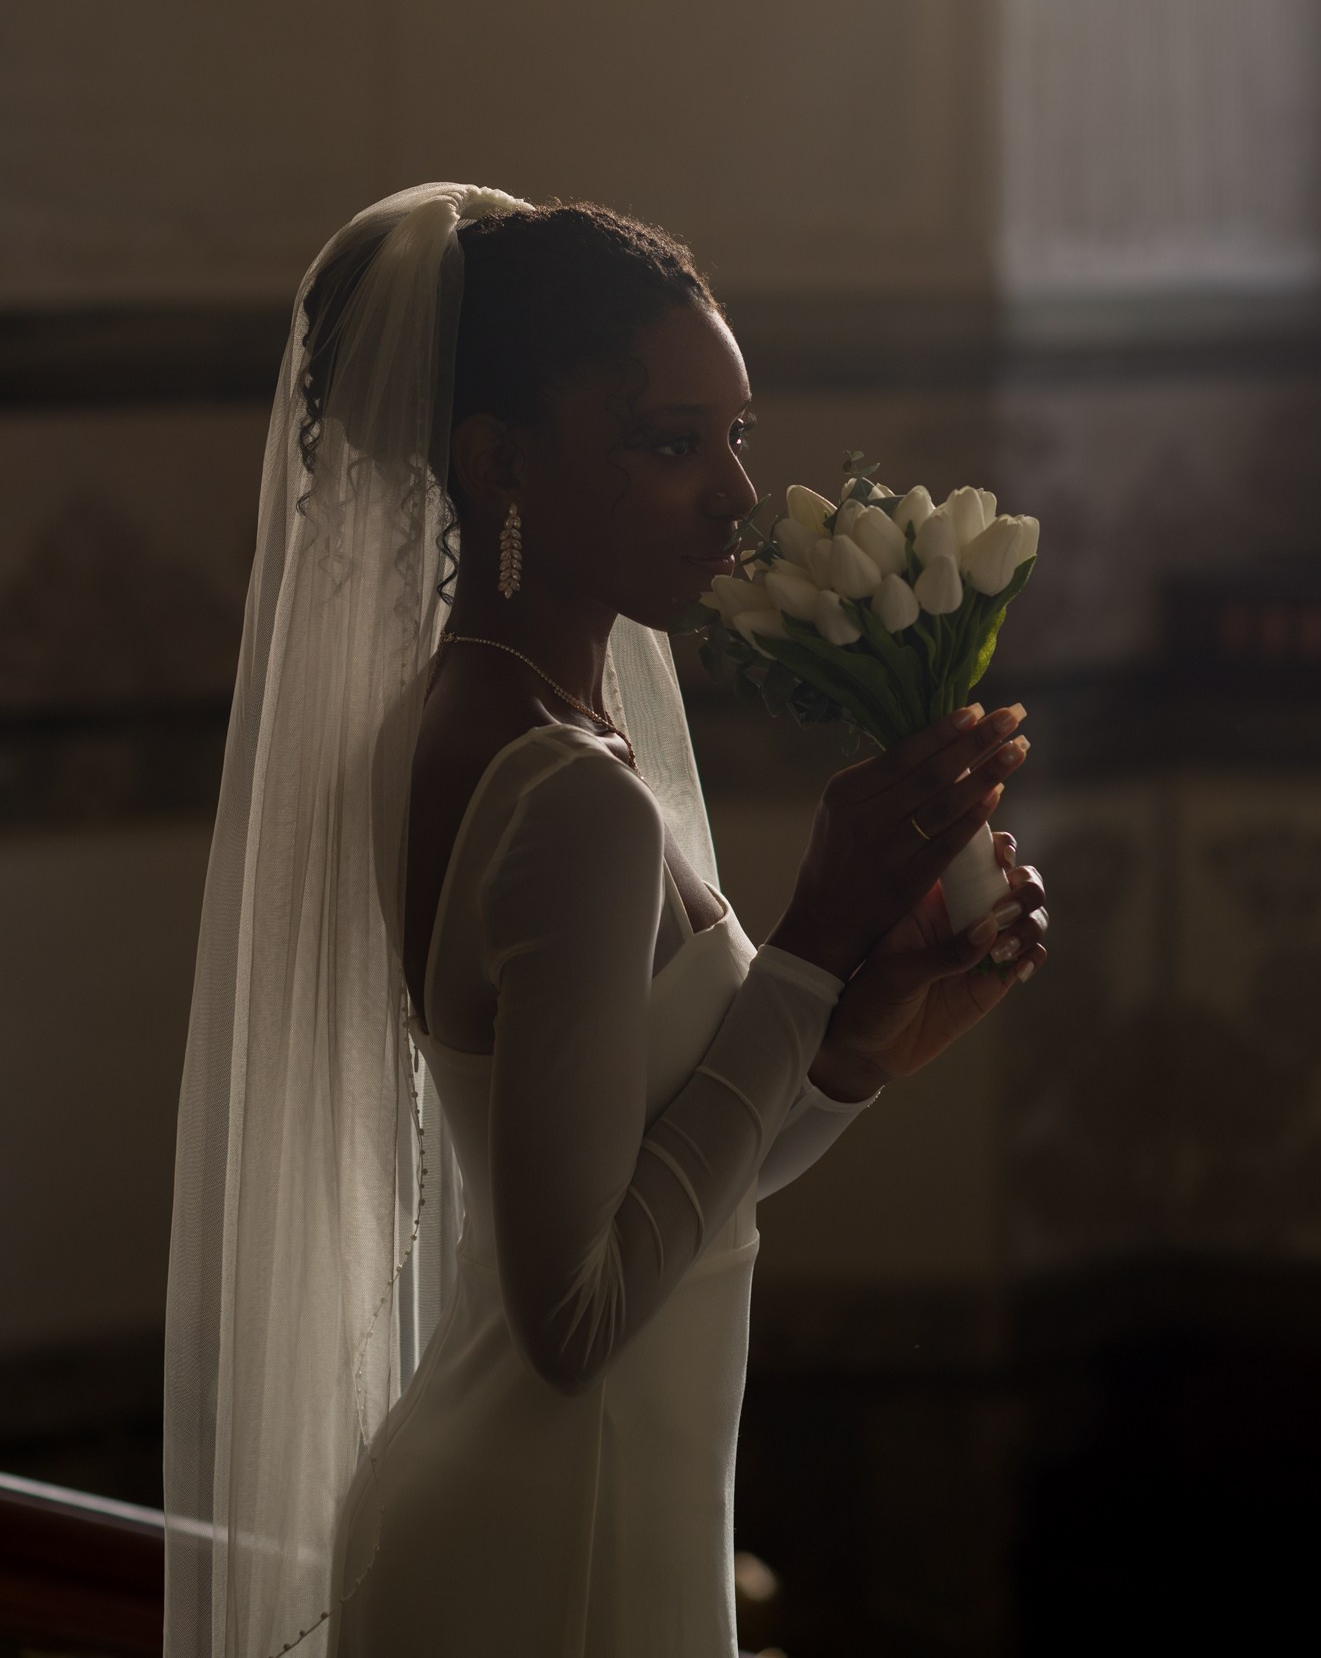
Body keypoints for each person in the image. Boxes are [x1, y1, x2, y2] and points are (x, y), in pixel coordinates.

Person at [163, 184, 1046, 1658]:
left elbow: (668, 1198)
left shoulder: (458, 723)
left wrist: (850, 1053)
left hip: (557, 1512)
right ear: (496, 462)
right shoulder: (567, 796)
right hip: (554, 1552)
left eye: (735, 435)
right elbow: (574, 1315)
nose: (731, 496)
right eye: (665, 442)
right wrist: (813, 942)